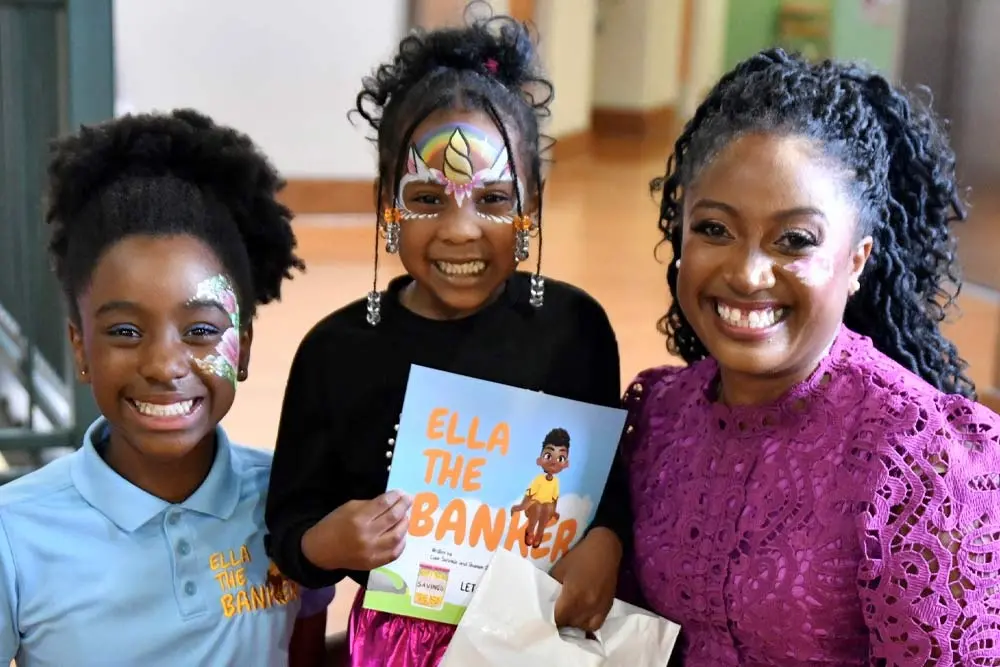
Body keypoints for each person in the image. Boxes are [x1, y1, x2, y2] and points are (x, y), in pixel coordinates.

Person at [578, 47, 1000, 665]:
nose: (748, 274)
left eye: (794, 240)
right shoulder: (659, 418)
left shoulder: (924, 464)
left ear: (857, 259)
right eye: (714, 229)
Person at [264, 8, 627, 667]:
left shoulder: (576, 331)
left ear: (531, 207)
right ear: (386, 207)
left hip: (543, 640)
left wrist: (607, 536)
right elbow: (289, 529)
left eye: (492, 199)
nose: (460, 230)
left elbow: (610, 485)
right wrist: (327, 542)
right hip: (396, 646)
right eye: (428, 198)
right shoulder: (335, 352)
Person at [0, 109, 335, 666]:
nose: (163, 364)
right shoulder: (15, 530)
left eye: (202, 331)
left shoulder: (291, 502)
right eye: (125, 331)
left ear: (243, 347)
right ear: (81, 347)